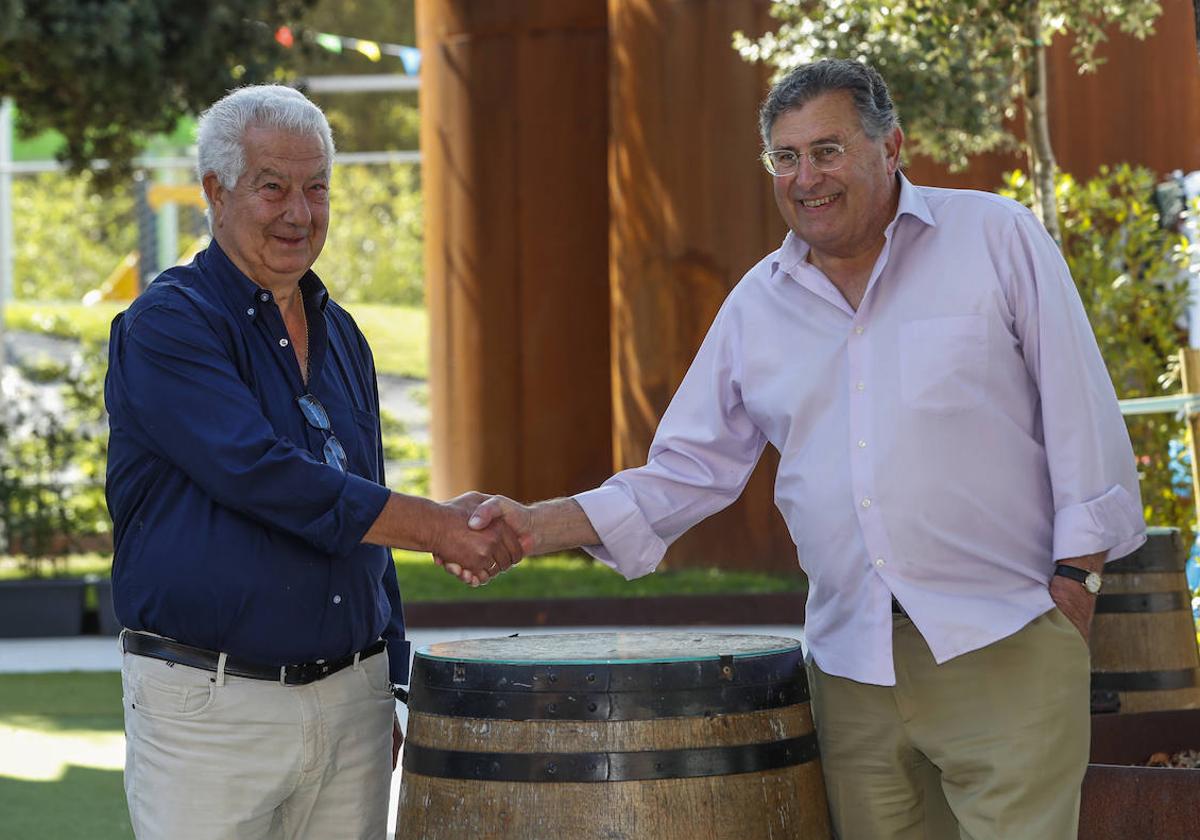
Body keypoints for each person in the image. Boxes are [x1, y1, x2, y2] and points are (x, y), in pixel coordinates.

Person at [456, 60, 1145, 839]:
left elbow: (1081, 413)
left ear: (892, 147)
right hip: (852, 671)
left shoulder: (995, 236)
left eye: (827, 150)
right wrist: (533, 526)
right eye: (785, 157)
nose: (805, 177)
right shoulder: (758, 304)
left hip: (1004, 639)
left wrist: (1076, 581)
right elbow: (685, 471)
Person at [104, 84, 522, 840]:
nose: (300, 212)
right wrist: (436, 525)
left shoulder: (344, 334)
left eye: (317, 188)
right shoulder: (167, 324)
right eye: (273, 188)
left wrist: (389, 682)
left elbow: (360, 499)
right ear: (215, 191)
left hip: (353, 709)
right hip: (212, 710)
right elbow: (262, 475)